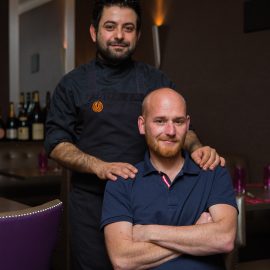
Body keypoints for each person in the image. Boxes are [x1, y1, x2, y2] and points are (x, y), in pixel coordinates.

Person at [45, 1, 225, 269]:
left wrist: (198, 147)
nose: (119, 35)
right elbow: (56, 144)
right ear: (94, 32)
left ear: (138, 36)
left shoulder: (156, 79)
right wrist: (99, 166)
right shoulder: (72, 84)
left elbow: (180, 129)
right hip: (92, 203)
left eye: (128, 28)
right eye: (110, 27)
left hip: (147, 201)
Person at [101, 88, 238, 270]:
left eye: (178, 121)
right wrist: (196, 235)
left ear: (188, 125)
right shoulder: (121, 182)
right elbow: (122, 260)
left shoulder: (213, 171)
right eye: (160, 121)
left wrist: (148, 232)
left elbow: (224, 239)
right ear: (142, 125)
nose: (171, 131)